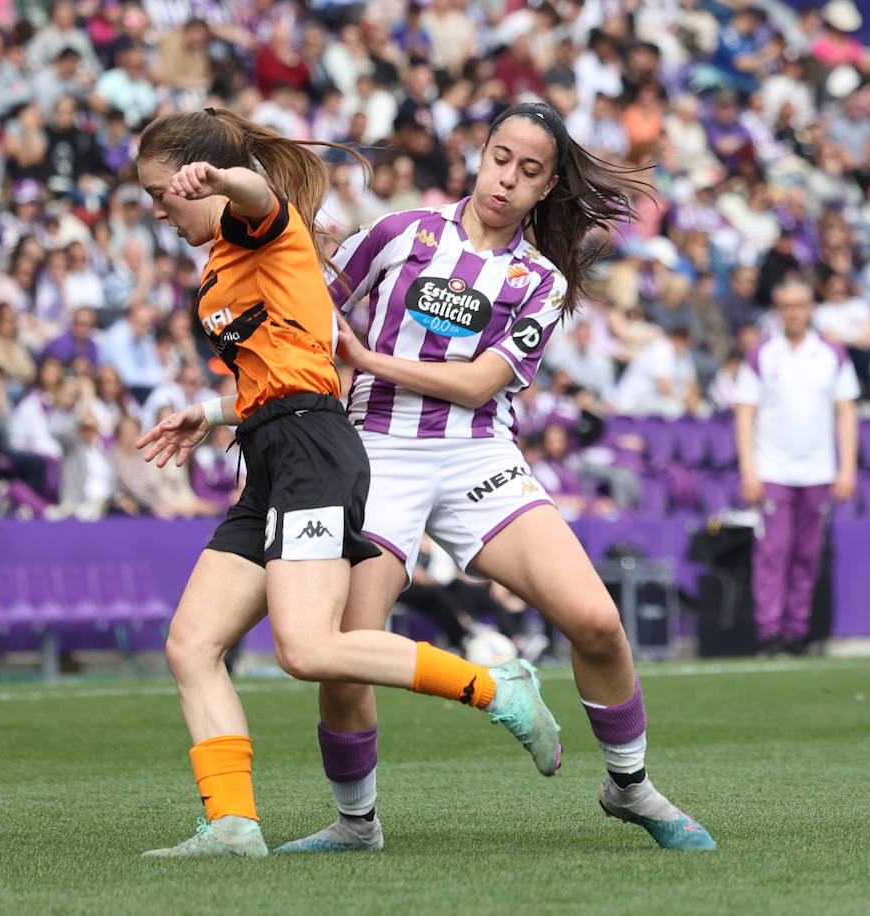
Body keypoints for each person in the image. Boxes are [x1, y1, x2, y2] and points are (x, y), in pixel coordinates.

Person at [283, 101, 715, 855]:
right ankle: (357, 824)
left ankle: (629, 784)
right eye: (500, 159)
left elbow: (480, 385)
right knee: (348, 645)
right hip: (376, 450)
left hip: (478, 454)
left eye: (530, 171)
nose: (508, 179)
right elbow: (314, 315)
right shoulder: (399, 234)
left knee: (597, 622)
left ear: (547, 188)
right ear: (479, 155)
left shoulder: (538, 281)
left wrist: (369, 360)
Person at [132, 107, 561, 859]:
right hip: (271, 451)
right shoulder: (218, 265)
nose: (156, 207)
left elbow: (262, 199)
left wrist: (225, 178)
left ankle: (499, 687)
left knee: (308, 648)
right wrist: (210, 413)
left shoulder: (252, 224)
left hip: (312, 452)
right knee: (192, 643)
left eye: (161, 191)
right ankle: (232, 824)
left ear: (198, 180)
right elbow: (284, 372)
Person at [734, 278, 859, 656]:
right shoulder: (762, 355)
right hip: (773, 471)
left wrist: (847, 467)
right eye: (786, 305)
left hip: (819, 471)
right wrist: (749, 470)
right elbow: (744, 414)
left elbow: (846, 413)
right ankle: (769, 632)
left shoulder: (831, 354)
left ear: (811, 308)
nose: (794, 312)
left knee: (808, 555)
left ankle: (797, 631)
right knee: (773, 554)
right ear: (778, 310)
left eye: (800, 304)